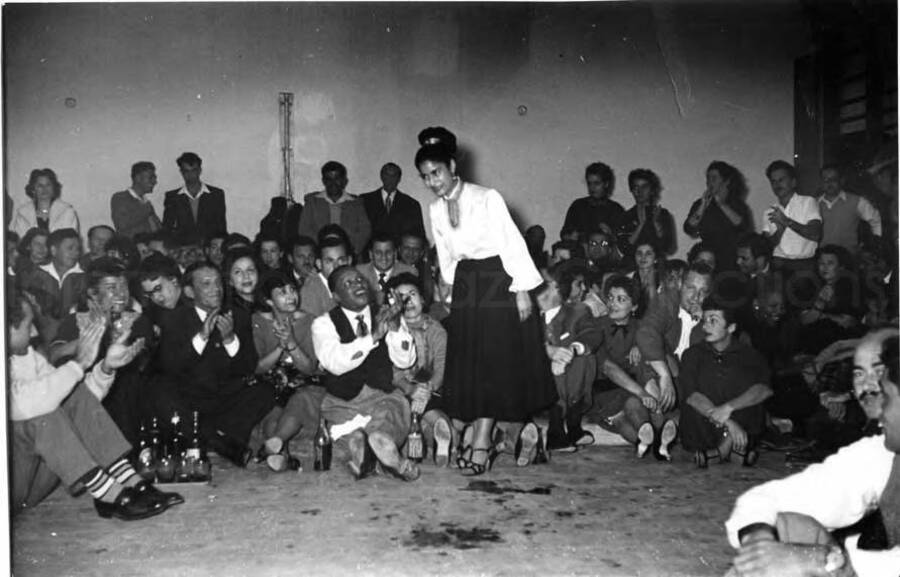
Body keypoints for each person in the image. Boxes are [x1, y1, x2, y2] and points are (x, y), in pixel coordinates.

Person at [416, 142, 556, 475]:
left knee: (492, 365)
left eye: (436, 172)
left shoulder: (486, 196)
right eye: (425, 177)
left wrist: (521, 290)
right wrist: (449, 290)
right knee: (473, 365)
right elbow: (446, 255)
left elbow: (511, 242)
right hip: (467, 285)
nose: (432, 181)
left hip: (498, 278)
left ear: (452, 166)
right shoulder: (435, 208)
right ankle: (482, 435)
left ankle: (481, 440)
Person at [725, 335, 900, 577]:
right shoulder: (879, 454)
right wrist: (759, 543)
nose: (871, 392)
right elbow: (766, 498)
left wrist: (821, 560)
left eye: (886, 391)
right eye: (859, 374)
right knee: (787, 526)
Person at [8, 291, 180, 519]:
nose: (35, 332)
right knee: (42, 415)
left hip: (30, 481)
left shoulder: (25, 356)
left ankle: (128, 480)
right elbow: (24, 405)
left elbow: (71, 399)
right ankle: (107, 492)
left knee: (69, 395)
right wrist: (79, 362)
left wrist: (106, 367)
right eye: (28, 325)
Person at [155, 262, 273, 467]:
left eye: (218, 283)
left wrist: (229, 339)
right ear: (190, 292)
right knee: (160, 393)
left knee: (265, 390)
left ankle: (210, 438)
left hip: (225, 397)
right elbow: (171, 367)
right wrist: (202, 336)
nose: (216, 289)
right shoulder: (175, 320)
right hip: (191, 399)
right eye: (206, 284)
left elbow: (248, 367)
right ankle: (219, 441)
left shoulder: (238, 315)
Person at [311, 265, 419, 481]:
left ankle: (376, 446)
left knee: (392, 413)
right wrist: (373, 338)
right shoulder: (323, 323)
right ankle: (366, 451)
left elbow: (406, 360)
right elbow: (335, 362)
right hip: (343, 402)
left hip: (382, 396)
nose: (358, 284)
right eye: (348, 283)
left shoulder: (385, 313)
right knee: (340, 429)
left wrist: (396, 326)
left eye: (360, 280)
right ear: (336, 296)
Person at [47, 258, 155, 445]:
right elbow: (53, 355)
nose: (122, 293)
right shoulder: (75, 321)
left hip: (123, 391)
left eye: (124, 286)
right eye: (112, 288)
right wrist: (91, 336)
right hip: (83, 392)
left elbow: (140, 362)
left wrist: (110, 333)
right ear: (93, 294)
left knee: (125, 386)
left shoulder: (138, 321)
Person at [680, 296, 773, 468]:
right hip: (706, 428)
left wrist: (729, 408)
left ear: (731, 327)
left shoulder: (749, 355)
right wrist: (728, 422)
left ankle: (722, 452)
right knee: (693, 405)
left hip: (738, 421)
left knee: (752, 399)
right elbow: (692, 395)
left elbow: (764, 389)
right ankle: (732, 449)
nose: (706, 326)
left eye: (713, 321)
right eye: (705, 320)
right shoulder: (692, 355)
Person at [635, 262, 714, 457]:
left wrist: (706, 323)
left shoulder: (711, 312)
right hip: (661, 371)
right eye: (691, 289)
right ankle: (663, 425)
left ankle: (664, 427)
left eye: (703, 292)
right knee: (646, 353)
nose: (696, 297)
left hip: (688, 378)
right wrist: (664, 375)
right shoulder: (666, 300)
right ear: (679, 284)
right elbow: (647, 332)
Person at [252, 273, 324, 472]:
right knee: (272, 405)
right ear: (268, 300)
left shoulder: (309, 321)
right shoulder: (258, 321)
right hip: (273, 379)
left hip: (304, 380)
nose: (291, 296)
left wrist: (291, 343)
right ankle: (280, 454)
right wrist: (280, 347)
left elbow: (309, 368)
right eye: (282, 292)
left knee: (298, 401)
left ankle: (277, 443)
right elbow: (258, 367)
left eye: (293, 290)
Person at [386, 272, 454, 466]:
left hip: (431, 390)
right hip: (401, 389)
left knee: (430, 413)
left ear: (423, 299)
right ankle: (447, 436)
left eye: (412, 293)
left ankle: (445, 435)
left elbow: (441, 366)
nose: (407, 300)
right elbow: (392, 371)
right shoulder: (391, 330)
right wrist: (411, 390)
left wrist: (427, 390)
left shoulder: (436, 330)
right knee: (413, 413)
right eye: (400, 297)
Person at [535, 263, 603, 452]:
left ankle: (571, 426)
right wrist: (548, 353)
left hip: (569, 381)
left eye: (542, 283)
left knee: (583, 357)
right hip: (535, 383)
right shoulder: (526, 314)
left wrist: (570, 351)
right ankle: (558, 431)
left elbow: (592, 334)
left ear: (557, 287)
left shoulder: (578, 311)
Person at [17, 227, 86, 344]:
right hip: (36, 338)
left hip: (72, 338)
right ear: (53, 250)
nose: (75, 253)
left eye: (78, 249)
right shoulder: (32, 274)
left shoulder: (85, 277)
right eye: (70, 248)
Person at [683, 161, 752, 272]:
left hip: (732, 262)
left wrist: (721, 204)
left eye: (714, 178)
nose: (709, 182)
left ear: (726, 181)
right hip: (708, 261)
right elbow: (689, 229)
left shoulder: (737, 204)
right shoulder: (700, 204)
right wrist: (702, 206)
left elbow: (743, 226)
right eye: (708, 178)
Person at [298, 161, 371, 261]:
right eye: (329, 179)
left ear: (344, 181)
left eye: (337, 178)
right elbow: (304, 229)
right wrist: (320, 248)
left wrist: (350, 249)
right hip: (319, 256)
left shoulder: (356, 203)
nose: (333, 183)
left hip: (350, 256)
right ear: (323, 181)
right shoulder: (312, 202)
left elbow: (365, 230)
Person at [797, 245, 862, 355]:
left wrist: (820, 315)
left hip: (842, 342)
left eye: (830, 263)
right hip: (813, 341)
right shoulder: (810, 285)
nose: (824, 267)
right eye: (821, 263)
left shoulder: (851, 287)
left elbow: (848, 322)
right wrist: (820, 303)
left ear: (841, 266)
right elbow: (804, 320)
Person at [762, 160, 822, 276]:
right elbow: (765, 247)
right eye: (773, 182)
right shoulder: (769, 211)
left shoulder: (808, 202)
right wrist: (780, 231)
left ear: (793, 182)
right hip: (777, 267)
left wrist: (786, 221)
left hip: (805, 267)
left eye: (781, 180)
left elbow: (816, 234)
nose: (777, 185)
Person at [162, 152, 227, 244]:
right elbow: (167, 227)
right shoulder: (172, 197)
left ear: (200, 170)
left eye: (194, 170)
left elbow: (221, 227)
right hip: (183, 249)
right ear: (181, 172)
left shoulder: (216, 195)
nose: (190, 175)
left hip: (209, 247)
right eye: (186, 171)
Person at [818, 163, 882, 254]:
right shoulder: (814, 204)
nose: (829, 183)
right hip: (823, 257)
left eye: (833, 179)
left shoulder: (856, 201)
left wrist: (877, 242)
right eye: (825, 180)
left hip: (848, 256)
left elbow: (875, 219)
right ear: (821, 182)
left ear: (841, 180)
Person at [616, 168, 676, 261]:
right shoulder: (625, 216)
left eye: (644, 187)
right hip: (631, 266)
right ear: (631, 190)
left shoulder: (662, 214)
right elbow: (623, 248)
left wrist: (656, 224)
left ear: (652, 190)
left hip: (656, 266)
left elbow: (668, 247)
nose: (640, 191)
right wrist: (640, 226)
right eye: (635, 187)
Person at [361, 162, 426, 241]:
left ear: (399, 179)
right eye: (387, 175)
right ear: (381, 176)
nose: (390, 179)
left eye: (394, 176)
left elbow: (419, 235)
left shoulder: (411, 204)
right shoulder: (364, 200)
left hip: (401, 251)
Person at [561, 162, 625, 241]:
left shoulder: (616, 210)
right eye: (589, 183)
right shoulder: (578, 206)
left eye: (596, 183)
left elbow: (622, 241)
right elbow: (564, 234)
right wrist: (571, 237)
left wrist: (610, 235)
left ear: (606, 184)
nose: (592, 188)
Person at [11, 168, 80, 237]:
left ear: (54, 188)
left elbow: (70, 241)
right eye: (40, 186)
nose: (44, 189)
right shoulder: (23, 214)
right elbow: (21, 242)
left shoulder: (67, 211)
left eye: (48, 185)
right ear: (33, 189)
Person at [356, 232, 417, 306]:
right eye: (378, 253)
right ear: (371, 255)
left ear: (395, 253)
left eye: (388, 252)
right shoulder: (359, 272)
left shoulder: (409, 272)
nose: (384, 257)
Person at [300, 236, 351, 318]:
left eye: (341, 260)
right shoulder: (310, 291)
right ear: (319, 264)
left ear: (349, 261)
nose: (336, 266)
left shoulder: (355, 282)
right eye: (329, 261)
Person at [110, 161, 163, 239]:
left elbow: (158, 228)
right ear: (138, 178)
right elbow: (122, 225)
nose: (155, 182)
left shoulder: (146, 202)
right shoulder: (120, 198)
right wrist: (146, 209)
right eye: (151, 177)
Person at [223, 247, 261, 315]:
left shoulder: (268, 303)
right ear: (230, 280)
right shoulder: (229, 314)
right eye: (238, 272)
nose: (246, 276)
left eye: (250, 270)